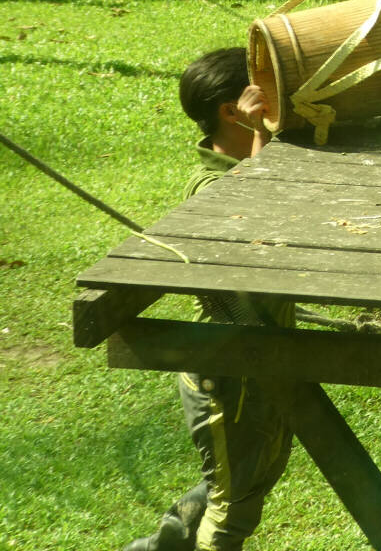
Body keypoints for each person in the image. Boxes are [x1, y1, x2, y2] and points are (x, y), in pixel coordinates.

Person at [122, 47, 294, 551]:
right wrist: (262, 132)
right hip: (225, 372)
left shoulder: (263, 154)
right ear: (230, 111)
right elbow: (259, 212)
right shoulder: (210, 183)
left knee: (248, 479)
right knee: (234, 505)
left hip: (260, 358)